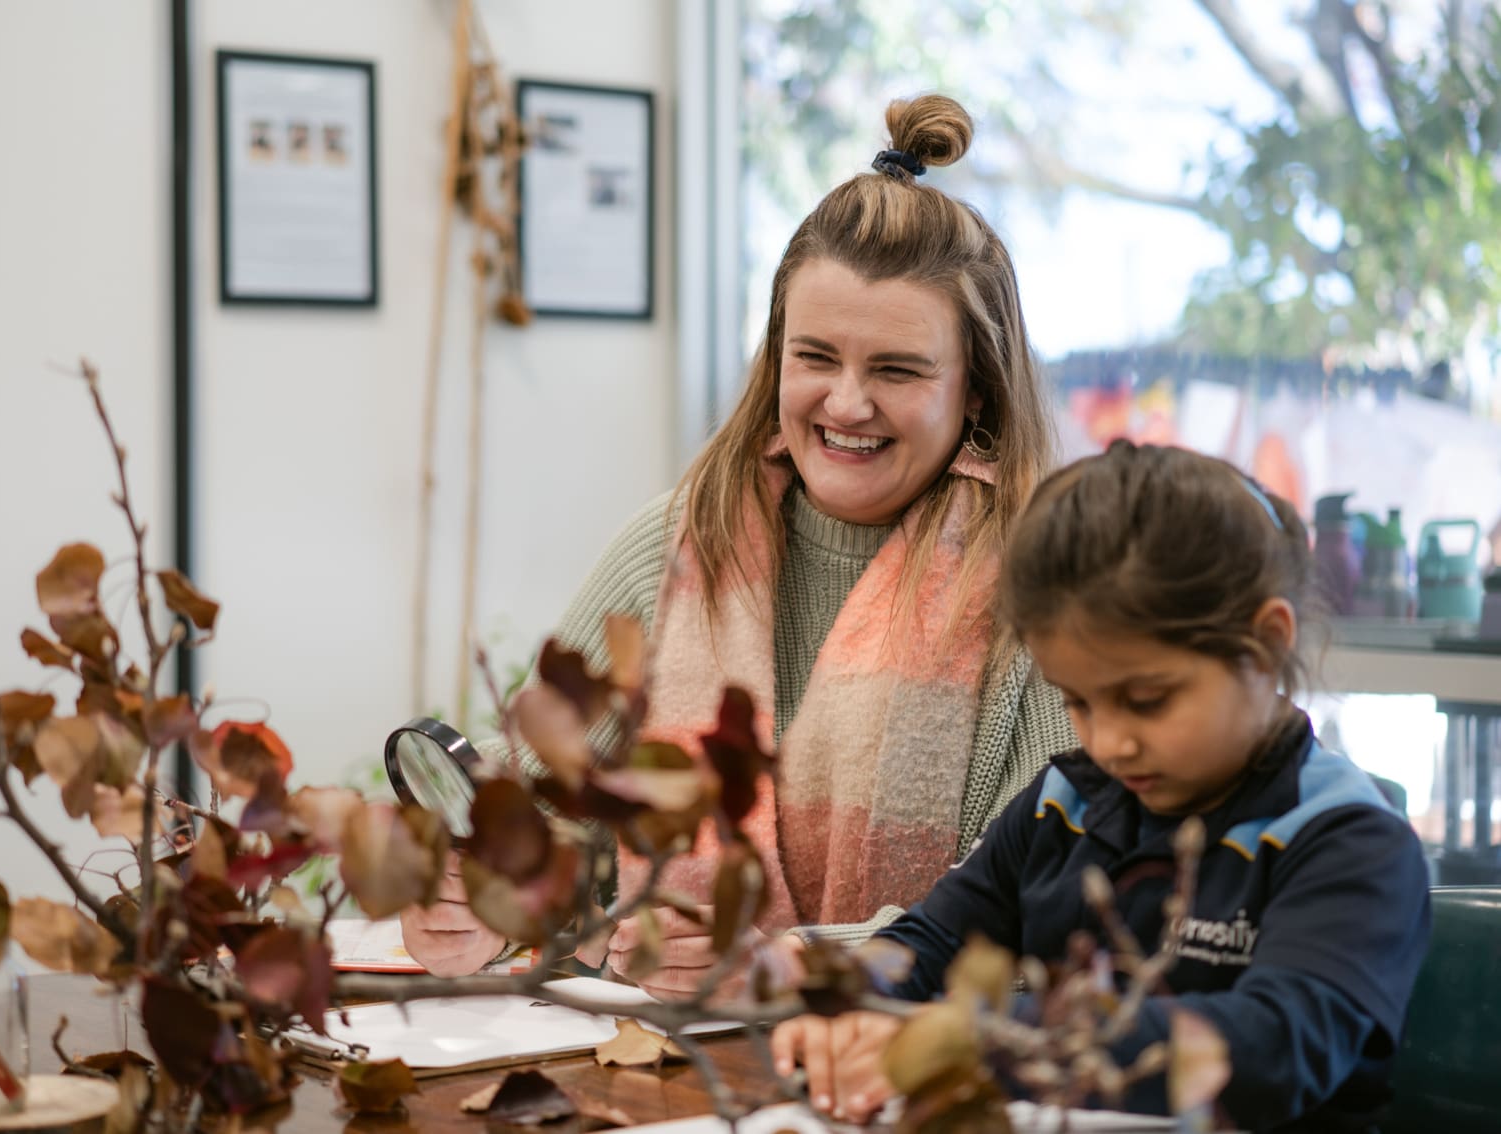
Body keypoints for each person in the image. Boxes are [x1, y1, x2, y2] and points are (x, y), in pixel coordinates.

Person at [403, 92, 1077, 991]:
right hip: (655, 1073)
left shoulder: (1044, 591)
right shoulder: (675, 545)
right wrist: (472, 908)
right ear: (776, 358)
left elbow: (1046, 907)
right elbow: (537, 830)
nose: (845, 404)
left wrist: (790, 966)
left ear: (979, 391)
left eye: (897, 370)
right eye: (816, 358)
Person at [770, 441, 1432, 1131]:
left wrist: (987, 1040)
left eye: (1147, 699)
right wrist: (850, 998)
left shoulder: (1353, 843)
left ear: (1264, 645)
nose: (1109, 742)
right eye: (1078, 703)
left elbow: (1271, 1050)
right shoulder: (1066, 802)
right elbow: (931, 940)